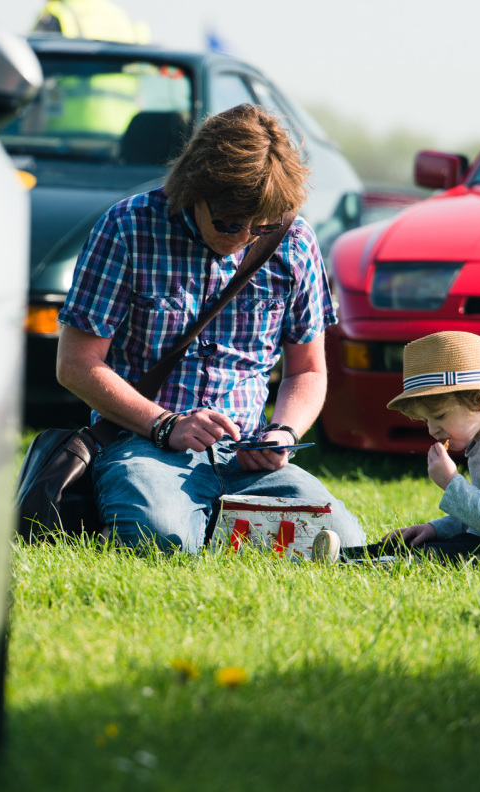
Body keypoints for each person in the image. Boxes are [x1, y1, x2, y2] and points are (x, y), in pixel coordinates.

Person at [55, 103, 365, 553]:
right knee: (162, 538)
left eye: (262, 226)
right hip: (144, 444)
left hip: (251, 458)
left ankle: (213, 524)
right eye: (229, 223)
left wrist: (283, 434)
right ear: (193, 189)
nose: (244, 239)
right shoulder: (127, 228)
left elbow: (308, 370)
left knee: (343, 541)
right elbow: (75, 364)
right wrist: (165, 424)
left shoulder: (294, 240)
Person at [312, 331, 480, 565]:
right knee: (412, 543)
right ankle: (343, 555)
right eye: (426, 420)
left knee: (431, 555)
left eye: (439, 416)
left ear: (479, 399)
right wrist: (434, 528)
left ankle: (352, 562)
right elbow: (478, 515)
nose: (432, 430)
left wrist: (451, 482)